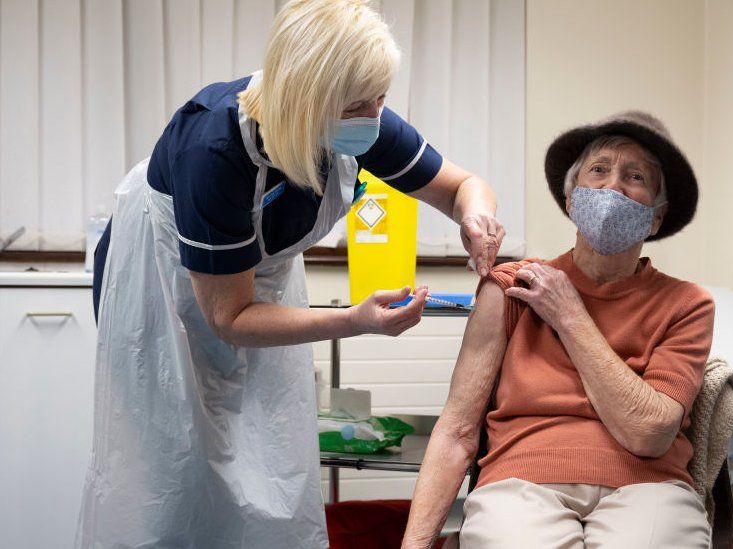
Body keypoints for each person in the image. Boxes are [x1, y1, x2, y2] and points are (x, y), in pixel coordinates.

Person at [77, 1, 505, 547]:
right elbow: (229, 315)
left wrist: (476, 214)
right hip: (164, 294)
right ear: (308, 98)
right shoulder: (215, 149)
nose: (376, 116)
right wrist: (354, 320)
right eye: (360, 103)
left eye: (381, 98)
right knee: (168, 472)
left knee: (272, 459)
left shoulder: (358, 119)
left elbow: (461, 185)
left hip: (258, 292)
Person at [402, 111, 714, 548]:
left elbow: (650, 431)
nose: (612, 186)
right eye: (599, 170)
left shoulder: (686, 304)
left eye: (636, 176)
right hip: (522, 482)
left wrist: (569, 315)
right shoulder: (511, 286)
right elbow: (456, 430)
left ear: (656, 219)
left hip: (649, 487)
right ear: (572, 199)